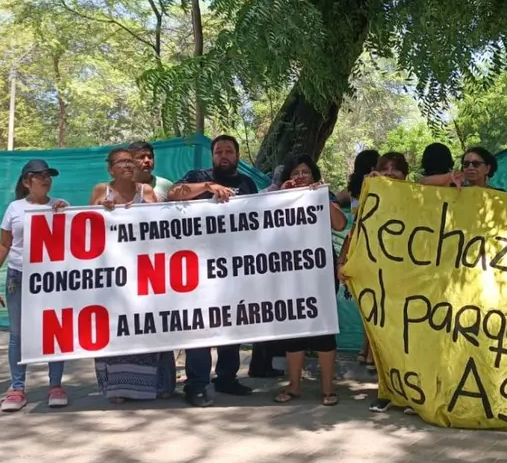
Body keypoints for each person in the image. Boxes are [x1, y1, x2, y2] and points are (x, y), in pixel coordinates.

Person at [167, 134, 262, 406]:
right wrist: (209, 186)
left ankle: (227, 378)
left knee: (231, 324)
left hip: (234, 268)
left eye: (228, 151)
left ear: (237, 156)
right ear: (213, 156)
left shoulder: (246, 183)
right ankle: (196, 383)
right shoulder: (198, 175)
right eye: (218, 151)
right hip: (197, 268)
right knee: (200, 326)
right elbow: (173, 194)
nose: (223, 155)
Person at [89, 148, 174, 403]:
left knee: (148, 326)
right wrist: (101, 211)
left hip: (145, 274)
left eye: (130, 161)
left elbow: (159, 225)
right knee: (116, 329)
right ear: (110, 168)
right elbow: (85, 225)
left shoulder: (145, 191)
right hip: (113, 276)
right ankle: (118, 389)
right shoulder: (100, 190)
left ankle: (157, 386)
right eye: (121, 161)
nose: (127, 165)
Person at [0, 160, 70, 412]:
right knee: (18, 334)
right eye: (39, 175)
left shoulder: (61, 206)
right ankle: (18, 387)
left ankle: (55, 385)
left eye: (48, 175)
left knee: (55, 329)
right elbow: (4, 245)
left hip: (52, 279)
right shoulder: (15, 208)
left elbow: (76, 240)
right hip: (19, 276)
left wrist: (66, 216)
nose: (45, 179)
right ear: (26, 182)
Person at [337, 151, 411, 412]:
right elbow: (356, 229)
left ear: (406, 175)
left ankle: (412, 392)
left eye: (396, 170)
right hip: (377, 274)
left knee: (407, 335)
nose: (390, 174)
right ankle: (386, 390)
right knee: (382, 333)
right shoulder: (371, 195)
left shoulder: (417, 197)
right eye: (385, 169)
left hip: (407, 276)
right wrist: (343, 260)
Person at [272, 155, 348, 406]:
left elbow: (340, 223)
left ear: (315, 177)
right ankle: (294, 386)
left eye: (305, 172)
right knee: (294, 330)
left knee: (323, 329)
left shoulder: (325, 196)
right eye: (295, 173)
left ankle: (328, 389)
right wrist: (281, 196)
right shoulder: (278, 199)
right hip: (290, 272)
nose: (300, 177)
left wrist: (321, 197)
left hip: (320, 271)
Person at [420, 146, 504, 191]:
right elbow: (423, 182)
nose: (470, 167)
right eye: (466, 164)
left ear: (487, 169)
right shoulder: (455, 189)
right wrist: (450, 177)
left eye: (476, 164)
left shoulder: (500, 194)